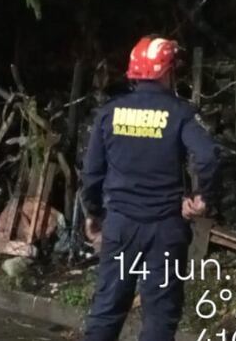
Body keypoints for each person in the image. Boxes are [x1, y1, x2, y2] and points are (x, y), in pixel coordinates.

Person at [81, 36, 219, 341]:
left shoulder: (110, 113)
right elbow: (208, 156)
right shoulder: (180, 113)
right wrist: (202, 200)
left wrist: (93, 212)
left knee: (107, 309)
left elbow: (91, 172)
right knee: (160, 315)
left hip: (119, 228)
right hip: (166, 230)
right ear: (167, 72)